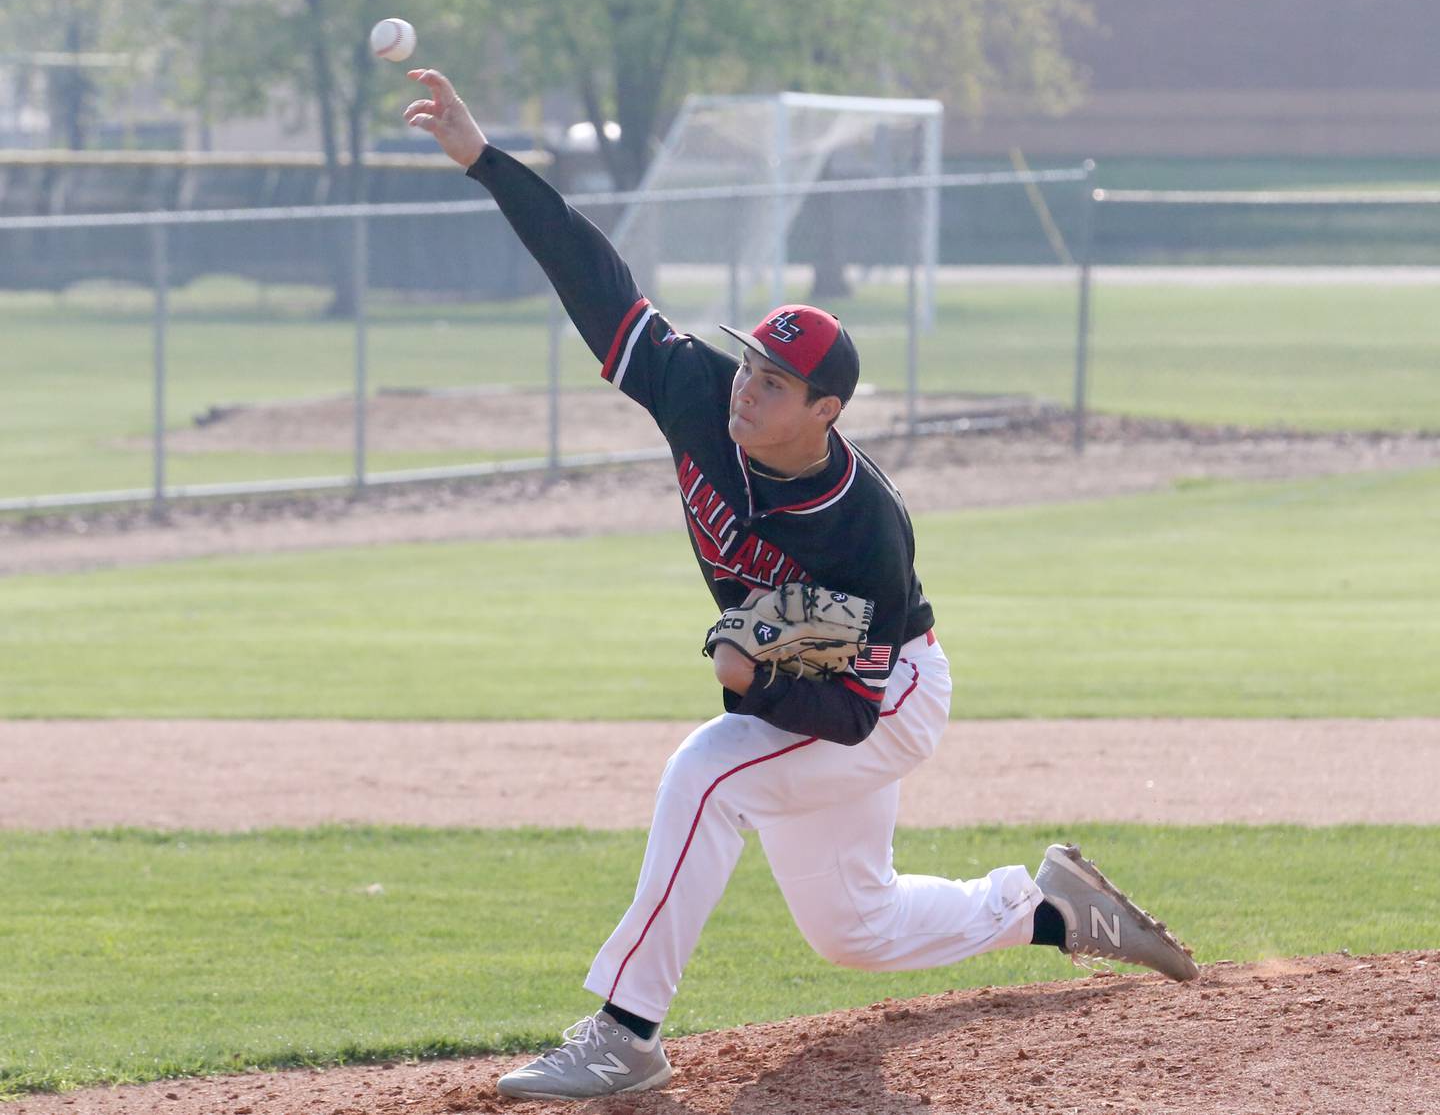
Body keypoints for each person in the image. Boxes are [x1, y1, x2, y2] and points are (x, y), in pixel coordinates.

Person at [403, 69, 1199, 1103]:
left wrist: (755, 681)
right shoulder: (698, 396)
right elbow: (592, 275)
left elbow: (851, 709)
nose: (745, 386)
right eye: (747, 366)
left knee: (709, 774)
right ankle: (1050, 908)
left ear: (825, 409)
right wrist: (484, 160)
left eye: (772, 383)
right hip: (815, 672)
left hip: (892, 694)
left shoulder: (863, 526)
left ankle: (625, 1033)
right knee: (854, 929)